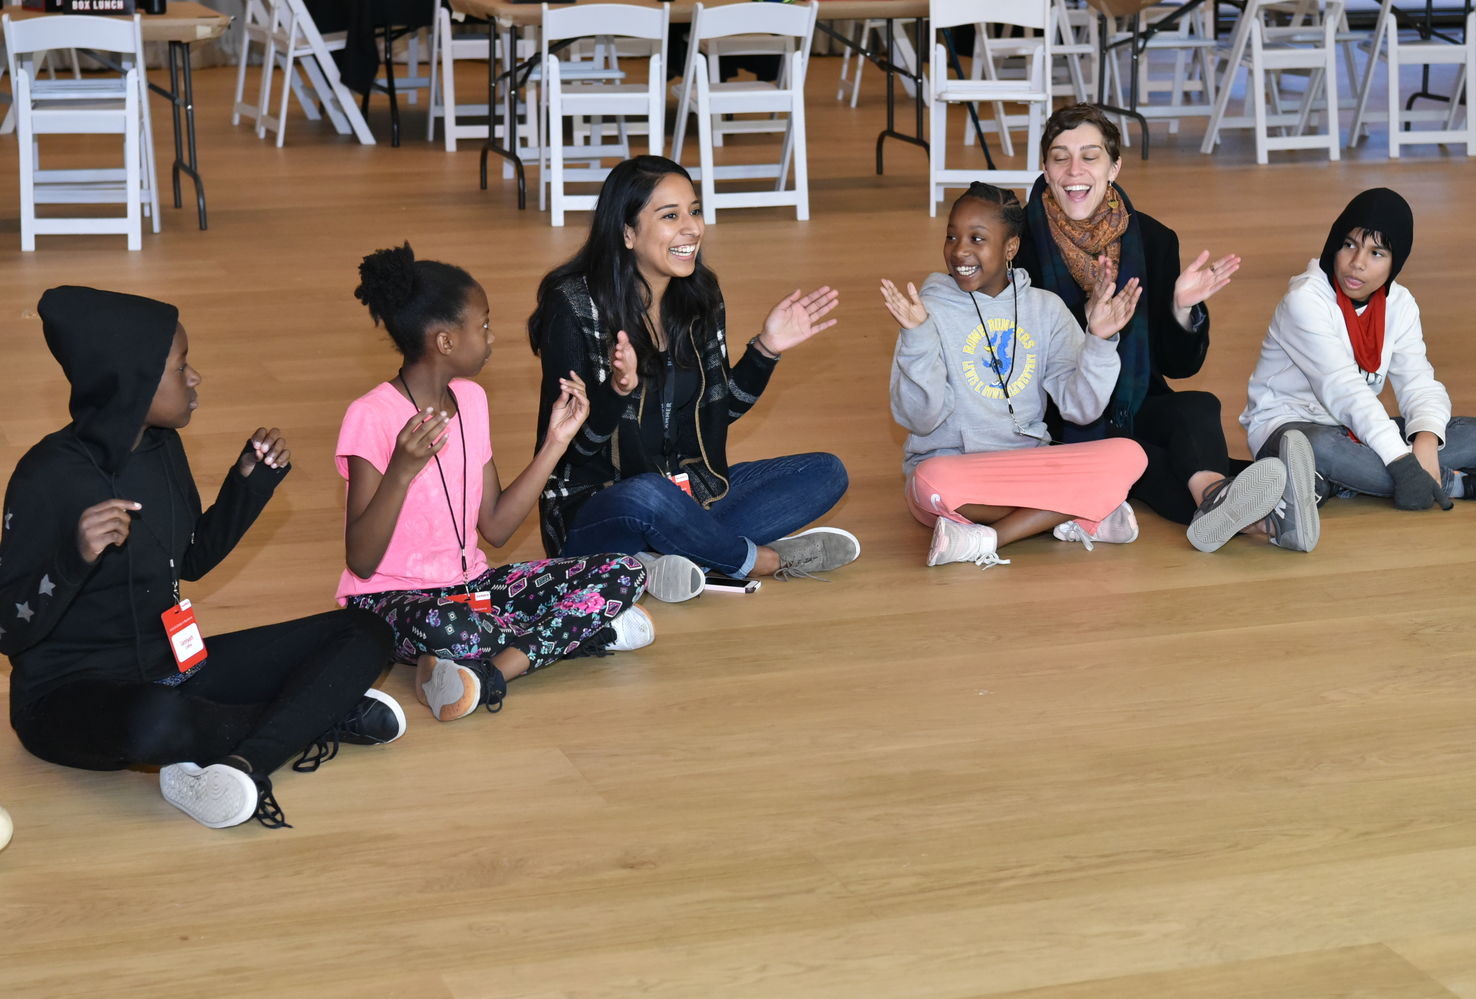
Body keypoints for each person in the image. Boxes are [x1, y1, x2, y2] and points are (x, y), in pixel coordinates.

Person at [0, 287, 401, 831]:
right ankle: (319, 714)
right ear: (133, 381)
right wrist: (76, 555)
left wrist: (246, 488)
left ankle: (245, 758)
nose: (195, 379)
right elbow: (9, 631)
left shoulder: (162, 447)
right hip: (67, 697)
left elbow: (190, 560)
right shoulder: (44, 476)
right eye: (180, 367)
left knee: (365, 629)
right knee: (154, 723)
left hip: (173, 668)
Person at [339, 244, 651, 724]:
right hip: (390, 603)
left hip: (473, 587)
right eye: (482, 325)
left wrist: (555, 443)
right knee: (446, 624)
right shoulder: (371, 416)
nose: (491, 337)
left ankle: (488, 673)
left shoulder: (472, 400)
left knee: (625, 571)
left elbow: (497, 528)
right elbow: (360, 561)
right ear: (445, 342)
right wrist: (401, 471)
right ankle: (586, 632)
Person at [527, 155, 858, 599]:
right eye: (670, 216)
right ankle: (760, 559)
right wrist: (616, 392)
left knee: (825, 472)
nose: (692, 228)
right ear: (626, 232)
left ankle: (665, 562)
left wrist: (766, 349)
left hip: (687, 495)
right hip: (600, 510)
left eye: (695, 211)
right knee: (645, 495)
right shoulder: (573, 308)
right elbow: (571, 452)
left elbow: (718, 413)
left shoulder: (700, 297)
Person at [1014, 103, 1319, 553]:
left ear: (1114, 166)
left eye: (1090, 156)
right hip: (1061, 415)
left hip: (1135, 402)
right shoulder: (1018, 244)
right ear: (1044, 165)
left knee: (1195, 408)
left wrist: (1180, 307)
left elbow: (1178, 367)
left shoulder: (1154, 240)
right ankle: (1261, 510)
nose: (1073, 170)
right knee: (1138, 458)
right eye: (1060, 157)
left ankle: (1221, 499)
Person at [883, 182, 1149, 568]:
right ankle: (1075, 513)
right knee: (929, 483)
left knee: (1129, 455)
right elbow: (919, 419)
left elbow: (1081, 410)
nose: (959, 251)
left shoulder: (1046, 309)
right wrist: (917, 339)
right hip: (957, 469)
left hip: (1027, 466)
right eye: (952, 236)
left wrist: (1099, 341)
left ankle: (990, 536)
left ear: (1010, 248)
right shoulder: (925, 313)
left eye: (977, 238)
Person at [1241, 188, 1476, 510]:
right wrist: (1404, 465)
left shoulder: (1400, 304)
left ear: (1397, 261)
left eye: (1377, 253)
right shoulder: (1305, 299)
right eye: (1349, 245)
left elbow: (1418, 383)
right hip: (1288, 427)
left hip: (1355, 429)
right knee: (1318, 446)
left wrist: (1426, 442)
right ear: (1334, 243)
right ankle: (1456, 482)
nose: (1357, 264)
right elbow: (1344, 390)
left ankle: (1330, 482)